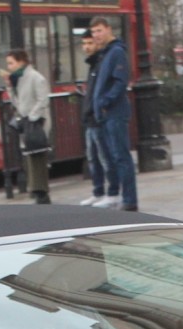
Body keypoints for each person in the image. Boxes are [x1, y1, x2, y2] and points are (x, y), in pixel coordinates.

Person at [89, 16, 137, 211]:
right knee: (112, 157)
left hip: (114, 113)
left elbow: (120, 82)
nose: (96, 35)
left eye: (99, 31)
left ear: (109, 29)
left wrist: (105, 102)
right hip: (106, 114)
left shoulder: (116, 52)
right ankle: (120, 196)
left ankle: (129, 199)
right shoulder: (105, 54)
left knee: (121, 157)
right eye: (93, 32)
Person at [2, 49, 53, 204]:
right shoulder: (18, 79)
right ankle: (37, 191)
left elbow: (43, 99)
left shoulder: (36, 77)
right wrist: (10, 87)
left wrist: (32, 116)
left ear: (21, 61)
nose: (9, 66)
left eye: (11, 63)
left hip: (36, 122)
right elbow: (17, 103)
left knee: (37, 155)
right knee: (30, 156)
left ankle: (41, 192)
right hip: (26, 122)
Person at [77, 33, 112, 206]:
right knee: (93, 157)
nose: (86, 47)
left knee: (104, 156)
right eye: (84, 43)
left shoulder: (100, 63)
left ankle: (112, 192)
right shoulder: (92, 64)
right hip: (90, 118)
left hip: (98, 117)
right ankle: (98, 191)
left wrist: (98, 108)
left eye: (90, 43)